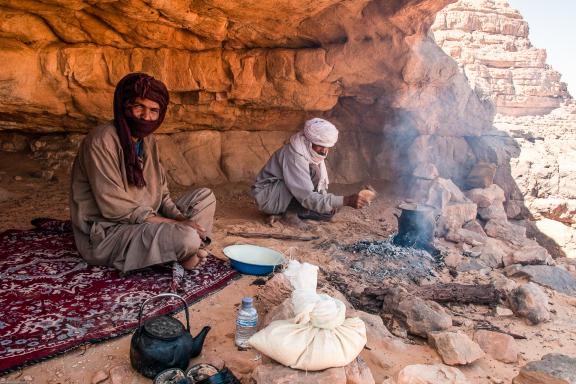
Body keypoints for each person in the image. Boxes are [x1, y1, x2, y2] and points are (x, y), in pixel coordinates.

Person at [70, 72, 215, 273]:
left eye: (154, 110)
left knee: (205, 197)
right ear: (125, 106)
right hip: (110, 232)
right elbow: (114, 208)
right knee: (187, 237)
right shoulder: (101, 141)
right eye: (139, 107)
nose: (147, 117)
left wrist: (182, 220)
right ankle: (185, 250)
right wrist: (176, 225)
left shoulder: (148, 142)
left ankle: (181, 251)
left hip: (149, 219)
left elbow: (162, 196)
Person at [251, 118, 369, 227]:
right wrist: (346, 200)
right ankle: (289, 214)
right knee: (313, 173)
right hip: (268, 195)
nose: (324, 150)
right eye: (320, 146)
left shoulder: (310, 152)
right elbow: (307, 196)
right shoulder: (295, 156)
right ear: (308, 141)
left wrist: (332, 202)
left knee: (327, 214)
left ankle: (283, 213)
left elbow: (315, 192)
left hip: (286, 194)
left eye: (327, 147)